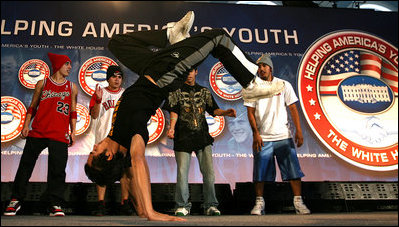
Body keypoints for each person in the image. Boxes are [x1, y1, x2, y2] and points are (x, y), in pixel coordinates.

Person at [85, 11, 284, 221]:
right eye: (94, 152)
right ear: (107, 156)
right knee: (217, 37)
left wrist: (142, 209)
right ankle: (251, 83)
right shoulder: (132, 137)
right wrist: (151, 213)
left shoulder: (117, 141)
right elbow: (139, 162)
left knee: (117, 42)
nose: (94, 146)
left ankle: (171, 35)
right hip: (166, 72)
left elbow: (133, 178)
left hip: (149, 67)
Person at [4, 52, 78, 217]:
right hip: (38, 131)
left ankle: (55, 203)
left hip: (59, 133)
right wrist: (25, 125)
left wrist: (73, 132)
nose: (70, 67)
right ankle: (15, 200)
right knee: (25, 166)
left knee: (57, 170)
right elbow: (33, 106)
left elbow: (73, 111)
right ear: (58, 65)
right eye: (67, 64)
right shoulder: (42, 83)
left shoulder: (72, 87)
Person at [244, 54, 311, 215]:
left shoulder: (283, 84)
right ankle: (259, 203)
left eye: (264, 66)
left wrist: (299, 131)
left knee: (293, 172)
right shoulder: (252, 87)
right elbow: (250, 113)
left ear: (270, 68)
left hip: (283, 136)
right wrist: (256, 134)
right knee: (259, 173)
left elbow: (293, 108)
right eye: (259, 67)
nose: (261, 69)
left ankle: (298, 202)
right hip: (263, 138)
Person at [164, 68, 236, 216]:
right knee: (182, 173)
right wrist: (171, 128)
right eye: (187, 71)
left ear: (196, 72)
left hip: (202, 137)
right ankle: (182, 206)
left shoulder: (204, 91)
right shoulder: (175, 90)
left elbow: (213, 110)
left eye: (191, 71)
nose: (189, 73)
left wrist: (225, 112)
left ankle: (210, 205)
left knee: (209, 173)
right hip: (183, 136)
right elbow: (174, 110)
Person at [88, 65, 134, 216]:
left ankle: (125, 203)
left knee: (124, 171)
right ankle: (101, 203)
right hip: (103, 139)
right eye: (114, 76)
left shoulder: (126, 94)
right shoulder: (100, 93)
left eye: (119, 77)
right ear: (108, 78)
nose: (117, 79)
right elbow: (94, 115)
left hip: (122, 139)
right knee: (101, 170)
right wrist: (98, 100)